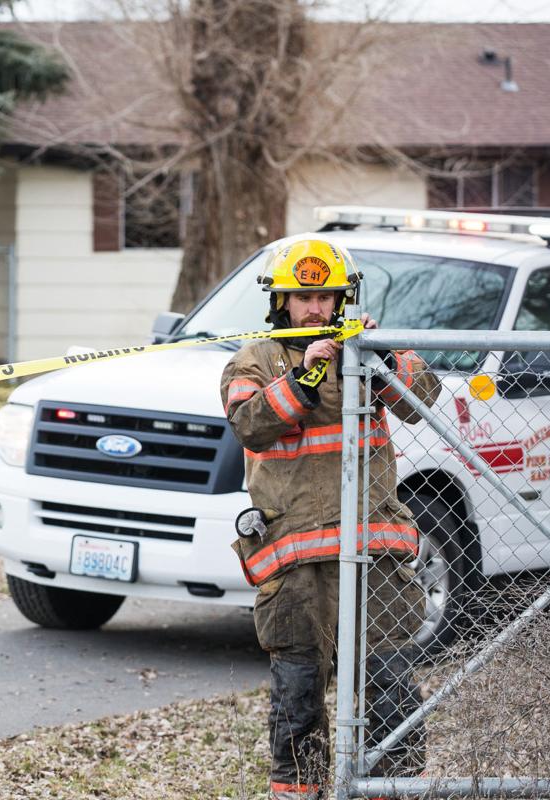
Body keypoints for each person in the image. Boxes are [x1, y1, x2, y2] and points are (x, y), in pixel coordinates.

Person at [219, 238, 440, 800]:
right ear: (282, 303)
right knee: (298, 693)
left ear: (344, 299)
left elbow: (425, 397)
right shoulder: (256, 360)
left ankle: (391, 789)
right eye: (303, 298)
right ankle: (302, 792)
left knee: (388, 683)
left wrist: (379, 360)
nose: (316, 309)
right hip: (294, 562)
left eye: (326, 297)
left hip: (375, 553)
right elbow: (250, 424)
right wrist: (306, 378)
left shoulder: (366, 350)